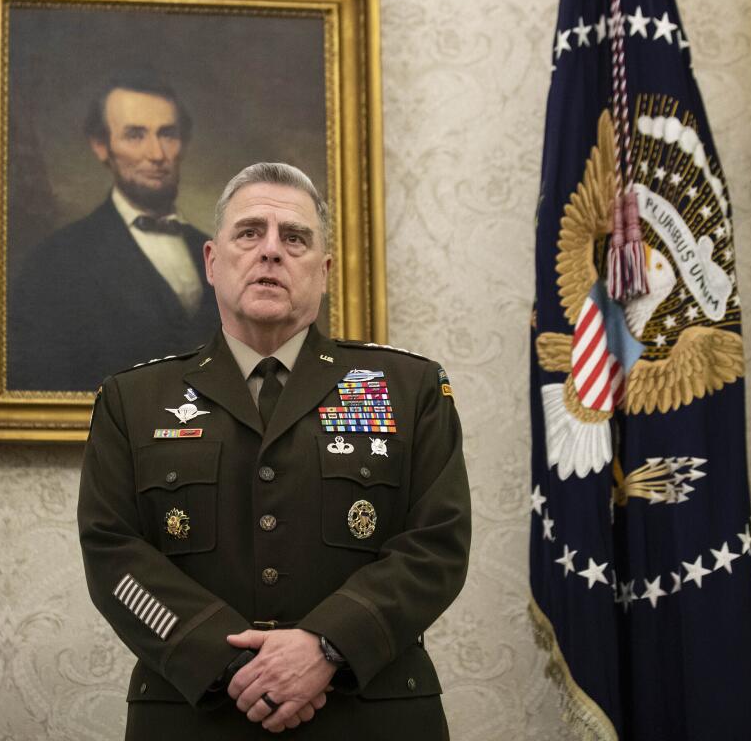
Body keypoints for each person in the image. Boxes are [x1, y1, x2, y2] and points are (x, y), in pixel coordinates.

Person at [78, 162, 471, 739]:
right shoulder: (133, 400)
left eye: (294, 238)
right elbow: (114, 558)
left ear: (325, 270)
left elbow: (437, 547)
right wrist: (231, 662)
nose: (270, 251)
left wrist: (327, 646)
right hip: (198, 715)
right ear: (212, 262)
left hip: (369, 715)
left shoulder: (407, 389)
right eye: (249, 232)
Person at [7, 72, 219, 392]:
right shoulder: (55, 262)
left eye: (168, 134)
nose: (157, 154)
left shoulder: (218, 253)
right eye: (135, 135)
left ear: (184, 143)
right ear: (101, 146)